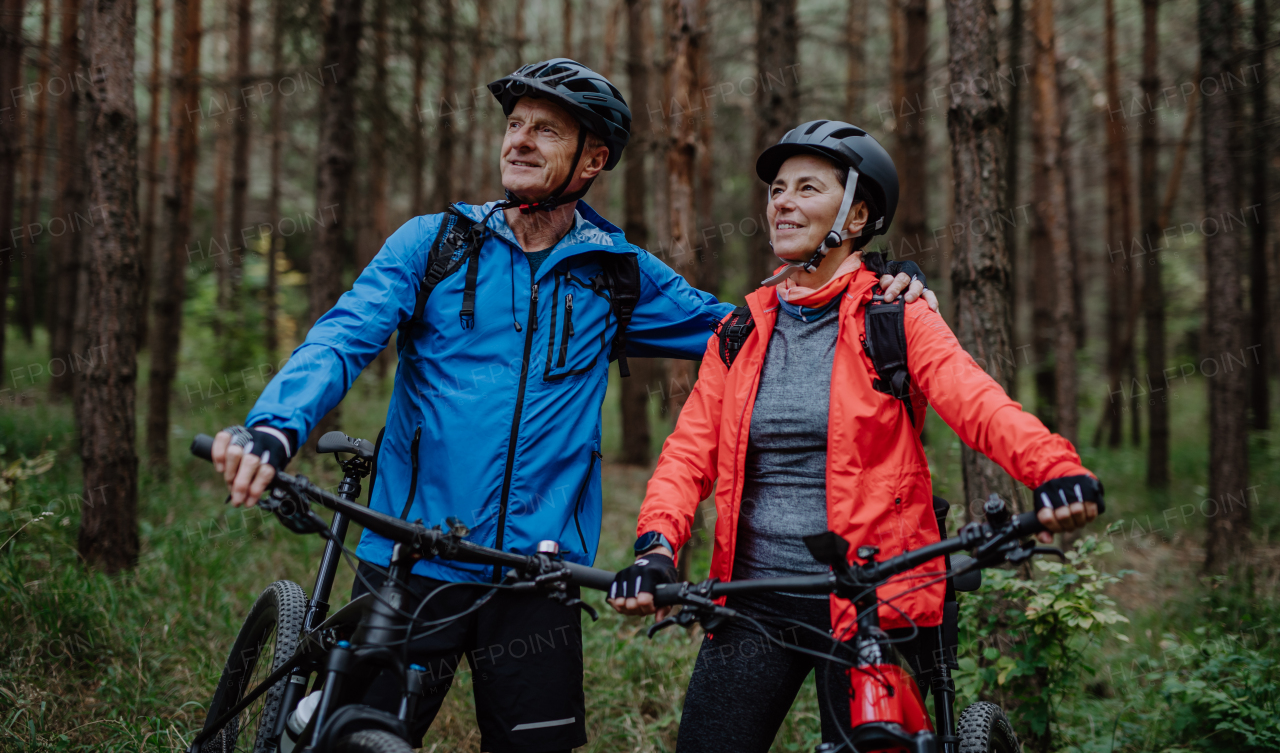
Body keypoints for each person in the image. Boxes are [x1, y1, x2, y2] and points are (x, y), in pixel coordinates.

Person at [209, 62, 932, 752]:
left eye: (546, 130)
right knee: (353, 734)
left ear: (593, 160)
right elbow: (342, 337)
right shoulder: (434, 245)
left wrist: (877, 283)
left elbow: (754, 328)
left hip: (539, 575)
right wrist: (276, 425)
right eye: (514, 124)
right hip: (411, 554)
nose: (518, 139)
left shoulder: (617, 274)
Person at [607, 120, 1103, 753]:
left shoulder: (895, 314)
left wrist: (1055, 471)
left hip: (870, 599)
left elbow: (976, 401)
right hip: (750, 597)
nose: (781, 202)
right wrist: (655, 547)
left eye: (806, 188)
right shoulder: (741, 329)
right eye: (777, 190)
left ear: (858, 213)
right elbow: (687, 453)